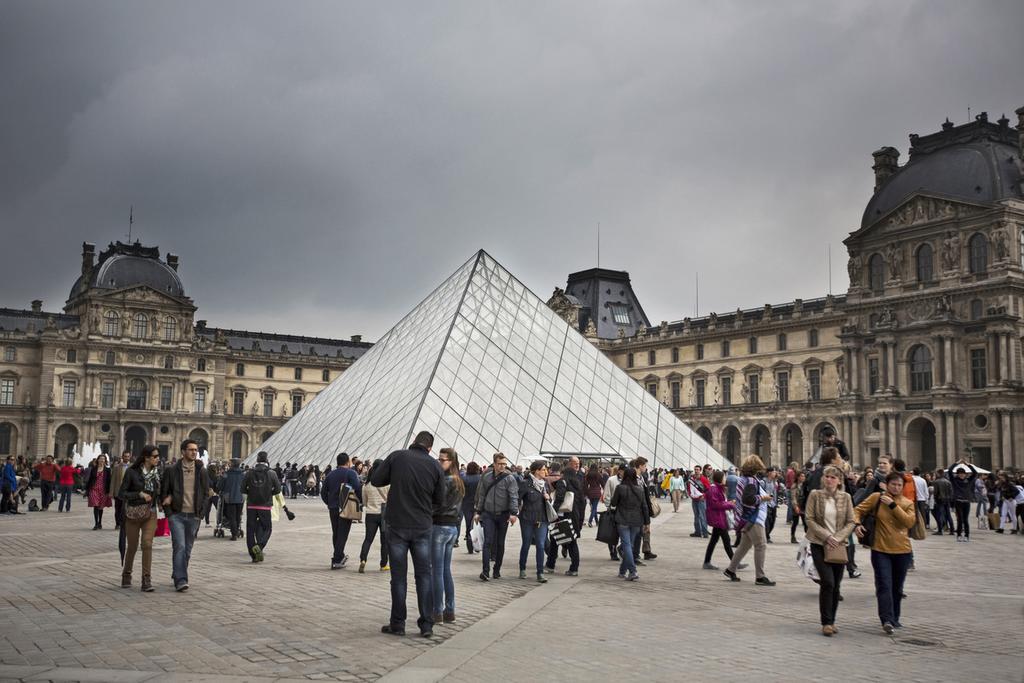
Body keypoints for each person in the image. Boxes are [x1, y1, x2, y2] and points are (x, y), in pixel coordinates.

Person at [371, 431, 446, 638]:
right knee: (424, 576)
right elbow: (440, 500)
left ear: (414, 442)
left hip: (397, 526)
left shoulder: (397, 456)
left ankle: (398, 624)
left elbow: (376, 480)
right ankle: (426, 625)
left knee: (398, 578)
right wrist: (426, 513)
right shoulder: (435, 466)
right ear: (430, 447)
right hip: (422, 527)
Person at [854, 471, 916, 634]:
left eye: (899, 485)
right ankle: (886, 619)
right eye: (893, 484)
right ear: (886, 485)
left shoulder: (907, 502)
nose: (896, 488)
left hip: (902, 550)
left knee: (897, 587)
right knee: (884, 584)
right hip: (880, 549)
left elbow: (909, 522)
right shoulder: (876, 498)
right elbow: (858, 510)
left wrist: (893, 505)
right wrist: (856, 524)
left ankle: (895, 618)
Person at [805, 465, 856, 637]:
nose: (829, 479)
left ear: (839, 481)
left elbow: (851, 521)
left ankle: (832, 620)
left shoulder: (846, 497)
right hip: (819, 543)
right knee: (828, 582)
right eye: (827, 476)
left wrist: (839, 537)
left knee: (836, 585)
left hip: (839, 546)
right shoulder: (815, 495)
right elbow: (809, 519)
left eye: (833, 477)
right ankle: (826, 622)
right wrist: (827, 536)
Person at [160, 439, 211, 592]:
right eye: (191, 450)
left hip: (194, 515)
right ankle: (181, 579)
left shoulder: (201, 471)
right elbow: (163, 491)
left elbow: (206, 492)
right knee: (180, 546)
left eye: (196, 450)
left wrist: (201, 513)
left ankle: (178, 571)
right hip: (177, 515)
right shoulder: (171, 470)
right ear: (182, 451)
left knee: (187, 548)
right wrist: (168, 511)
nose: (194, 452)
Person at [724, 455, 775, 586]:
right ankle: (760, 577)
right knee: (761, 545)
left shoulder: (743, 479)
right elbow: (749, 499)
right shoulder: (751, 481)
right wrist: (763, 498)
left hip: (744, 517)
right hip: (752, 517)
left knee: (744, 546)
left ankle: (730, 570)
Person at [118, 445, 162, 592]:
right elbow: (122, 493)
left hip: (151, 512)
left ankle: (146, 578)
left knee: (147, 544)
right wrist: (139, 494)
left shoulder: (158, 473)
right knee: (132, 546)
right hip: (134, 513)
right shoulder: (131, 472)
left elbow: (162, 491)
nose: (158, 459)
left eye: (158, 456)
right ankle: (127, 574)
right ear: (146, 457)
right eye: (155, 456)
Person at [430, 448, 464, 624]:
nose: (440, 462)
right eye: (439, 459)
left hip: (439, 527)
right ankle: (449, 611)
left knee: (436, 571)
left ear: (452, 462)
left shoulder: (446, 480)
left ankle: (437, 613)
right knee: (445, 570)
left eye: (443, 460)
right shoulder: (458, 480)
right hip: (451, 529)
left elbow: (438, 505)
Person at [474, 452, 519, 582]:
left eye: (504, 464)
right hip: (488, 514)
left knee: (500, 543)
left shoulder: (509, 478)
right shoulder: (486, 477)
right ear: (494, 464)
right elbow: (482, 495)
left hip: (503, 514)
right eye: (500, 464)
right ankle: (485, 571)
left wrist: (513, 513)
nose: (502, 466)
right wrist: (478, 511)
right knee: (488, 541)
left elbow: (513, 496)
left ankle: (497, 569)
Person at [322, 452, 362, 569]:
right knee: (343, 534)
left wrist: (329, 503)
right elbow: (358, 488)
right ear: (347, 462)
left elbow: (323, 492)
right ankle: (336, 559)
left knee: (336, 532)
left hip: (333, 508)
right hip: (345, 507)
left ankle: (340, 556)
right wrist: (360, 503)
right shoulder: (351, 473)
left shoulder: (330, 475)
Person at [609, 467, 649, 581]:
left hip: (622, 519)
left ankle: (632, 571)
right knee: (629, 545)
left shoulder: (620, 488)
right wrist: (647, 522)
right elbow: (644, 507)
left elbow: (614, 503)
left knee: (626, 545)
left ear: (625, 476)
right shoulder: (639, 489)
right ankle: (622, 571)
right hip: (636, 521)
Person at [242, 451, 282, 563]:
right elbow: (278, 489)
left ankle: (253, 554)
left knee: (250, 530)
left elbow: (243, 489)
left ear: (257, 459)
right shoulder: (272, 473)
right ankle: (259, 546)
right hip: (265, 506)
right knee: (267, 528)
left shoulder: (249, 473)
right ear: (267, 459)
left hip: (251, 506)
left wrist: (250, 494)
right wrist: (268, 494)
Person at [545, 459, 582, 576]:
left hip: (562, 516)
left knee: (556, 539)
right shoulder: (577, 483)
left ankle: (556, 566)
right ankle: (570, 566)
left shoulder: (563, 482)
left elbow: (559, 498)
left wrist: (553, 512)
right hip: (573, 515)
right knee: (570, 541)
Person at [517, 460, 551, 583]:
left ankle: (540, 572)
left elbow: (548, 500)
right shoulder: (525, 484)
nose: (546, 472)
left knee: (541, 545)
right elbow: (517, 499)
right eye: (543, 469)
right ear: (536, 471)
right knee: (526, 543)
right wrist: (514, 513)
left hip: (542, 519)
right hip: (527, 518)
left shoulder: (545, 484)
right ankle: (522, 568)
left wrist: (548, 498)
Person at [359, 460, 388, 573]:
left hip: (371, 514)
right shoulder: (387, 484)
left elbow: (364, 502)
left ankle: (363, 559)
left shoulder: (367, 485)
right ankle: (383, 564)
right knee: (384, 541)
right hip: (384, 514)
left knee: (368, 539)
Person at [703, 470, 736, 570]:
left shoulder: (718, 488)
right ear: (720, 478)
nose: (725, 479)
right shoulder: (714, 489)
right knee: (726, 540)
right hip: (717, 518)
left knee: (714, 541)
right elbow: (715, 504)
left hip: (719, 517)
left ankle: (707, 562)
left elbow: (719, 502)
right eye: (724, 477)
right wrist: (730, 504)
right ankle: (735, 563)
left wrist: (729, 503)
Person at [949, 459, 977, 542]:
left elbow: (975, 473)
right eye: (960, 474)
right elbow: (950, 471)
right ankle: (959, 535)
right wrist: (956, 463)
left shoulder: (968, 480)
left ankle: (967, 535)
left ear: (965, 474)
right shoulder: (955, 481)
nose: (961, 475)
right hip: (958, 501)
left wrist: (968, 465)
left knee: (965, 520)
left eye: (963, 474)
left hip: (966, 502)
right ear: (957, 474)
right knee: (960, 519)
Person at [219, 459, 245, 541]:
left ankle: (234, 534)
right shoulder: (243, 474)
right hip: (241, 497)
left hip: (229, 498)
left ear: (232, 464)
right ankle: (236, 531)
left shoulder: (226, 474)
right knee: (238, 515)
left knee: (232, 516)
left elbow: (220, 485)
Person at [85, 453, 113, 529]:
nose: (102, 460)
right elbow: (90, 480)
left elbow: (109, 481)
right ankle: (96, 523)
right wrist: (87, 490)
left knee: (100, 507)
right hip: (94, 489)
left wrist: (110, 491)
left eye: (103, 459)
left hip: (103, 490)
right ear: (98, 460)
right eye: (100, 459)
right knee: (96, 505)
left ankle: (100, 522)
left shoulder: (107, 470)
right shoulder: (93, 469)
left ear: (105, 461)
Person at [602, 464, 623, 560]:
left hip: (624, 511)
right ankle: (613, 551)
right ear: (619, 471)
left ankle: (620, 548)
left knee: (623, 532)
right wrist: (610, 507)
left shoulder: (629, 481)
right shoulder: (611, 480)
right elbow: (606, 495)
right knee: (612, 532)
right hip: (613, 510)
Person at [461, 462, 481, 553]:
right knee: (478, 525)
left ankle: (470, 548)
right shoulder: (480, 478)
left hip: (466, 504)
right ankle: (478, 544)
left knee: (469, 525)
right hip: (478, 504)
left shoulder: (464, 478)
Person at [110, 450, 131, 530]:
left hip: (128, 492)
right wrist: (111, 492)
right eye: (125, 456)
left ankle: (125, 523)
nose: (126, 458)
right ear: (122, 457)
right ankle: (118, 523)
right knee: (118, 509)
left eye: (128, 456)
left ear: (130, 457)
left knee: (127, 509)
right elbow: (113, 481)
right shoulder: (116, 467)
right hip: (118, 491)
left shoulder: (132, 467)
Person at [687, 465, 709, 538]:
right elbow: (688, 487)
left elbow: (708, 489)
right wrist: (690, 494)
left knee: (702, 516)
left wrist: (704, 496)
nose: (696, 471)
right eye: (695, 469)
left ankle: (705, 533)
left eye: (698, 469)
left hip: (701, 500)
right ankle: (698, 532)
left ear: (700, 470)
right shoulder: (691, 479)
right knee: (696, 516)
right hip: (694, 500)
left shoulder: (703, 479)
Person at [931, 469, 953, 535]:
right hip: (947, 500)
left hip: (939, 500)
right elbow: (951, 492)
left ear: (938, 473)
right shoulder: (948, 482)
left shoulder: (936, 482)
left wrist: (935, 499)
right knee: (948, 515)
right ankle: (952, 530)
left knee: (939, 515)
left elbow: (935, 493)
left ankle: (940, 530)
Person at [763, 467, 780, 543]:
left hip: (773, 504)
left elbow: (775, 494)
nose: (775, 473)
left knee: (772, 522)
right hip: (766, 504)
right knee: (767, 522)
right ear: (769, 473)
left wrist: (775, 503)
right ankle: (766, 536)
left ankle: (767, 534)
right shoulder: (763, 482)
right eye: (774, 472)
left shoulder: (774, 482)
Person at [789, 471, 807, 543]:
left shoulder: (805, 485)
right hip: (797, 505)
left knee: (805, 523)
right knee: (795, 522)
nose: (803, 478)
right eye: (801, 476)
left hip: (803, 506)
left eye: (804, 476)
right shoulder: (794, 486)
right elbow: (793, 497)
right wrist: (795, 506)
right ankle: (793, 536)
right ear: (798, 477)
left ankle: (807, 538)